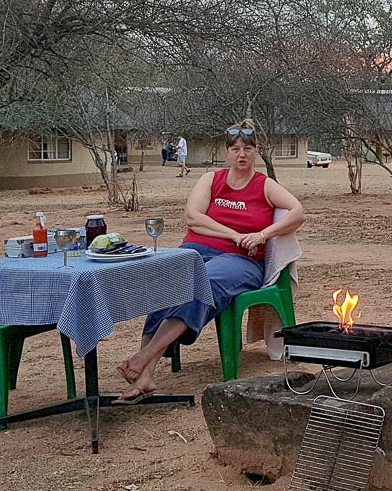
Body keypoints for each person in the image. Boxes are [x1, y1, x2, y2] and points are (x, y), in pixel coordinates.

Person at [116, 120, 305, 402]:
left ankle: (143, 358)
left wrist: (262, 234)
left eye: (248, 149)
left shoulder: (264, 185)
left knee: (204, 283)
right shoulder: (210, 180)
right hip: (196, 249)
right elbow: (194, 217)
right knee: (166, 281)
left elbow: (298, 212)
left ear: (256, 153)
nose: (242, 154)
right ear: (227, 152)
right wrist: (234, 233)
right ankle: (147, 374)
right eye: (236, 149)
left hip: (239, 261)